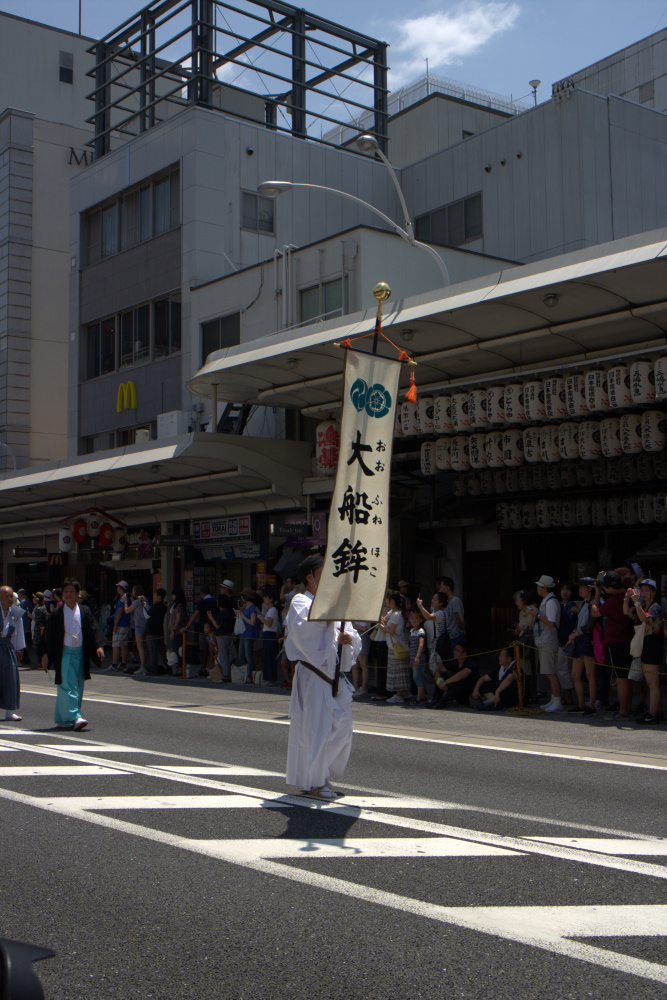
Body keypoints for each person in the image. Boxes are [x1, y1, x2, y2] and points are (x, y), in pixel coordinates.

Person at [284, 553, 361, 800]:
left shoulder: (334, 605)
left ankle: (318, 772)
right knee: (317, 730)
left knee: (343, 726)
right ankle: (317, 782)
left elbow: (351, 634)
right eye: (323, 574)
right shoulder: (300, 601)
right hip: (314, 674)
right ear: (310, 578)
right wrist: (336, 614)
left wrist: (349, 640)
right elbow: (310, 626)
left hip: (334, 675)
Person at [40, 580, 105, 731]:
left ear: (77, 594)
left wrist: (99, 646)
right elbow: (48, 635)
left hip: (80, 653)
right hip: (65, 654)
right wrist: (44, 654)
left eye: (72, 591)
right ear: (62, 596)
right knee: (67, 685)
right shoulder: (57, 613)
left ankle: (65, 717)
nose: (69, 594)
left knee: (78, 686)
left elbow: (94, 629)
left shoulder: (84, 611)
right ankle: (76, 716)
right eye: (66, 592)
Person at [591, 571, 634, 719]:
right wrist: (609, 574)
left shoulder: (613, 602)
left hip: (618, 642)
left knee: (621, 678)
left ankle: (624, 710)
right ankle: (626, 707)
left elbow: (595, 612)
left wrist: (597, 593)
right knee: (627, 677)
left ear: (609, 588)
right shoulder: (629, 589)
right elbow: (627, 571)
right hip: (629, 640)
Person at [626, 578, 664, 724]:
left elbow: (646, 620)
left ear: (654, 592)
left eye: (647, 590)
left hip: (653, 644)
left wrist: (636, 602)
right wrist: (627, 599)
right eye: (642, 590)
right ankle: (656, 711)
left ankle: (653, 713)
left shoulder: (655, 607)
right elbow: (628, 613)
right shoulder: (644, 606)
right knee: (650, 683)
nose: (644, 593)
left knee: (653, 683)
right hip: (646, 644)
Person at [528, 574, 564, 712]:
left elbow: (550, 622)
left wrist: (537, 615)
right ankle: (554, 699)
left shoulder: (551, 602)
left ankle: (557, 700)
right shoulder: (546, 601)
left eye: (539, 586)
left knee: (550, 672)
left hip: (549, 640)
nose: (537, 588)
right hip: (545, 640)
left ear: (544, 588)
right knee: (548, 671)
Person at [567, 577, 597, 716]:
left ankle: (591, 706)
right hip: (579, 638)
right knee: (575, 673)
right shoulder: (585, 603)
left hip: (587, 638)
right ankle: (580, 704)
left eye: (582, 587)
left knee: (590, 674)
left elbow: (590, 624)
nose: (580, 589)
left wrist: (576, 633)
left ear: (589, 588)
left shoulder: (594, 603)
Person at [377, 591, 409, 704]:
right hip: (392, 645)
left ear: (392, 601)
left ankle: (399, 694)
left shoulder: (396, 614)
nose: (386, 601)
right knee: (395, 671)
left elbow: (391, 631)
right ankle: (399, 693)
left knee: (398, 671)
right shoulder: (393, 612)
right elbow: (384, 618)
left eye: (388, 599)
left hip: (396, 645)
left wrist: (381, 626)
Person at [0, 584, 25, 721]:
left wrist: (18, 649)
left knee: (10, 679)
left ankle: (10, 711)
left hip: (8, 647)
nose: (10, 599)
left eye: (11, 596)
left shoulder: (16, 612)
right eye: (6, 596)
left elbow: (19, 633)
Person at [429, 642, 478, 708]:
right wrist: (439, 682)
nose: (454, 652)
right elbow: (439, 670)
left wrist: (445, 683)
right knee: (443, 676)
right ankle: (435, 699)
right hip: (455, 692)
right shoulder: (454, 661)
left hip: (467, 693)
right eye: (454, 650)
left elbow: (462, 674)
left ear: (464, 654)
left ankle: (443, 702)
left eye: (457, 651)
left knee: (459, 681)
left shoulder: (471, 663)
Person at [183, 587, 218, 675]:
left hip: (204, 630)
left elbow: (195, 615)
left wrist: (187, 626)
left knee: (204, 649)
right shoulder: (215, 601)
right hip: (213, 629)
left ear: (202, 594)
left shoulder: (202, 602)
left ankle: (204, 667)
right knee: (213, 650)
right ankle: (212, 668)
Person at [208, 594, 235, 681]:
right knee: (229, 654)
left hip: (222, 636)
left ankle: (226, 675)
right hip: (229, 635)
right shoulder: (229, 612)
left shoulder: (221, 613)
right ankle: (230, 672)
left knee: (223, 656)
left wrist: (211, 617)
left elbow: (217, 625)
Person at [235, 589, 260, 682]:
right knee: (241, 655)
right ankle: (244, 673)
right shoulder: (245, 606)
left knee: (248, 655)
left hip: (249, 634)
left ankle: (250, 675)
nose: (241, 597)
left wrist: (242, 616)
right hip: (244, 633)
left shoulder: (253, 608)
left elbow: (252, 622)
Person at [125, 585, 150, 675]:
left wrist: (125, 602)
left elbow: (127, 610)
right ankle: (144, 665)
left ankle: (142, 666)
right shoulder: (144, 599)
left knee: (140, 647)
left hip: (139, 625)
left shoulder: (137, 601)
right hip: (146, 625)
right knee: (144, 646)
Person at [258, 587, 280, 684]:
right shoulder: (270, 610)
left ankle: (270, 678)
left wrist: (261, 618)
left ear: (271, 599)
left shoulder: (272, 610)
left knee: (269, 656)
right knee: (267, 655)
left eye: (266, 598)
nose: (264, 599)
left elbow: (269, 623)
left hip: (270, 634)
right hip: (267, 634)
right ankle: (268, 677)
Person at [437, 576, 465, 652]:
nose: (440, 589)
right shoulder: (447, 601)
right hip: (448, 636)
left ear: (448, 588)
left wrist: (461, 628)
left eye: (442, 587)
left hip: (454, 636)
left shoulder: (455, 601)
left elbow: (461, 619)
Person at [407, 607, 428, 705]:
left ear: (420, 620)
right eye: (412, 618)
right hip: (413, 658)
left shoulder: (421, 631)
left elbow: (421, 644)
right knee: (417, 677)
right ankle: (423, 697)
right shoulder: (412, 632)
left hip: (418, 658)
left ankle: (419, 698)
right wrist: (411, 659)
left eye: (416, 618)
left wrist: (417, 656)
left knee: (418, 677)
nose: (414, 620)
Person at [110, 581, 131, 672]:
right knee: (123, 645)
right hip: (125, 624)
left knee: (116, 644)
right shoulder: (126, 598)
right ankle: (123, 663)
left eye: (119, 587)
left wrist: (115, 624)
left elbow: (120, 611)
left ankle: (114, 664)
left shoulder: (123, 598)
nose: (117, 589)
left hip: (121, 625)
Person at [146, 589, 168, 675]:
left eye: (155, 595)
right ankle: (167, 665)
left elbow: (147, 614)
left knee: (153, 651)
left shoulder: (155, 607)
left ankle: (154, 668)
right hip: (160, 630)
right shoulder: (163, 606)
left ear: (159, 597)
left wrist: (143, 605)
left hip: (152, 631)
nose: (153, 597)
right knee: (162, 650)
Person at [167, 588, 187, 675]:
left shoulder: (179, 606)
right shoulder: (175, 605)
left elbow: (178, 619)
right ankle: (178, 668)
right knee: (176, 650)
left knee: (178, 651)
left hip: (177, 631)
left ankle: (180, 669)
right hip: (174, 630)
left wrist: (173, 631)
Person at [17, 589, 33, 664]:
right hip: (28, 625)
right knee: (27, 643)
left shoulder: (23, 602)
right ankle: (27, 657)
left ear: (21, 595)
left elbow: (20, 615)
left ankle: (22, 658)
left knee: (23, 642)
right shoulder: (29, 602)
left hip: (24, 625)